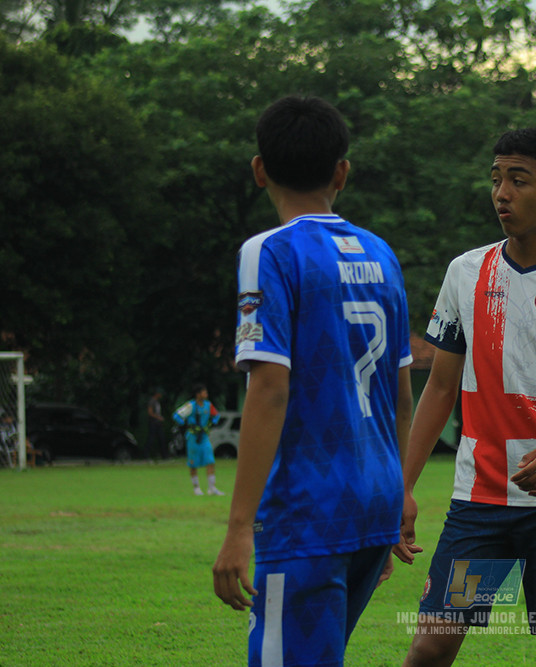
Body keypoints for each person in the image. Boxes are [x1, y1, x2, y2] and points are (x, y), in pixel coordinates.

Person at [393, 127, 536, 666]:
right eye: (496, 178)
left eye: (519, 180)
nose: (502, 193)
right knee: (429, 647)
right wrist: (401, 487)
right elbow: (440, 388)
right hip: (480, 505)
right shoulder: (465, 272)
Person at [211, 95, 413, 667]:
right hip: (376, 503)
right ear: (341, 172)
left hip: (308, 511)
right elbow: (402, 396)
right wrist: (399, 494)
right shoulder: (382, 255)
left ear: (259, 169)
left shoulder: (269, 252)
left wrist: (238, 529)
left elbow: (270, 388)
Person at [173, 384, 223, 496]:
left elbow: (216, 415)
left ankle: (212, 487)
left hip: (204, 436)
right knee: (193, 463)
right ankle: (196, 488)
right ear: (198, 394)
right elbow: (177, 415)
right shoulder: (190, 406)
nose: (206, 394)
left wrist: (212, 423)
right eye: (204, 392)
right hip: (193, 437)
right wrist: (185, 425)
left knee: (210, 460)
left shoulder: (208, 405)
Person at [145, 388, 167, 460]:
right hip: (153, 423)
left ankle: (164, 455)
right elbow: (150, 413)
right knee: (151, 439)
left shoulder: (157, 402)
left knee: (161, 438)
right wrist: (158, 417)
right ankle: (146, 455)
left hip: (158, 423)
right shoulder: (152, 401)